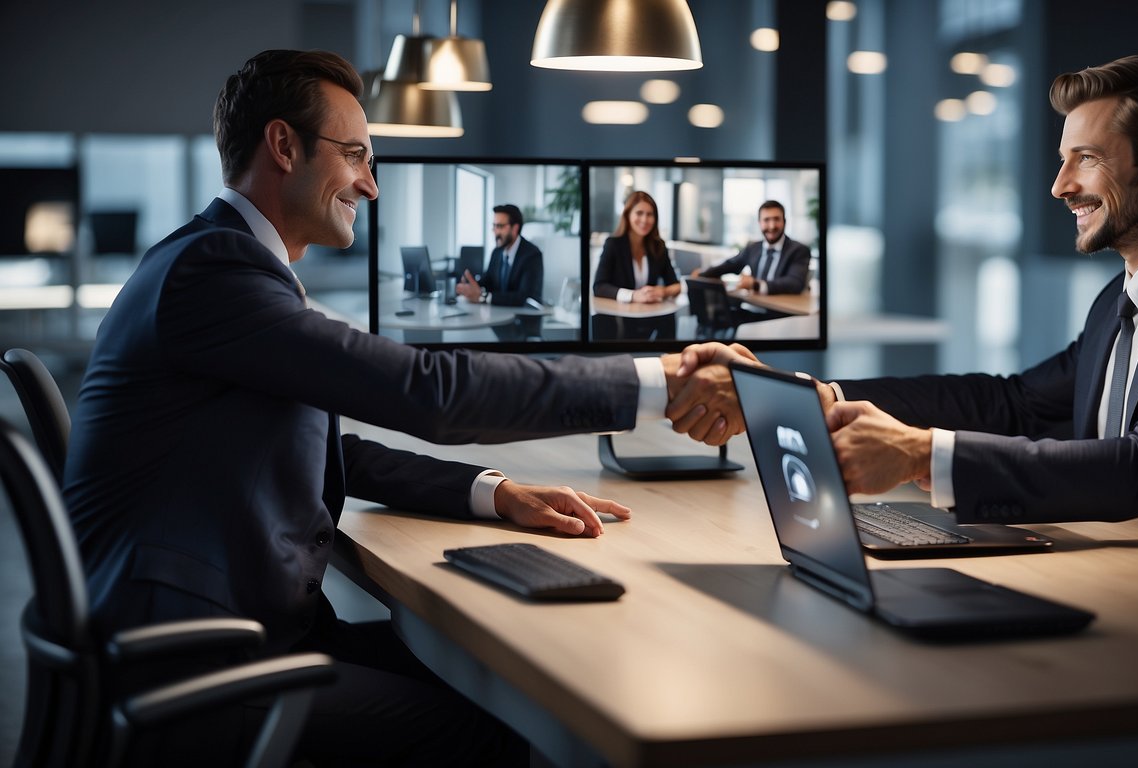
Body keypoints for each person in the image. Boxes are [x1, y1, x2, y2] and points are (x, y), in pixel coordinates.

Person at [62, 49, 740, 766]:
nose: (371, 185)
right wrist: (658, 382)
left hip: (225, 628)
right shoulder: (215, 273)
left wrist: (490, 493)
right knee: (507, 716)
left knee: (500, 673)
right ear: (283, 146)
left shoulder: (215, 260)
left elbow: (321, 448)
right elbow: (427, 390)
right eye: (355, 154)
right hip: (201, 660)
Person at [685, 54, 1138, 563]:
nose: (1060, 186)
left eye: (1085, 159)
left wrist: (919, 455)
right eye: (1061, 160)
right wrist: (811, 392)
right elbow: (1012, 403)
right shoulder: (1120, 299)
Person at [693, 200, 811, 295]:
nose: (772, 226)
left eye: (776, 219)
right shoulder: (753, 248)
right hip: (754, 307)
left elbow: (795, 283)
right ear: (759, 223)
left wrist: (755, 284)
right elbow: (730, 265)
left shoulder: (799, 250)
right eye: (766, 220)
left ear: (784, 222)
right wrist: (703, 274)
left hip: (781, 313)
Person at [592, 190, 682, 304]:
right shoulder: (613, 244)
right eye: (639, 213)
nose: (644, 220)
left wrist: (663, 291)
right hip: (619, 316)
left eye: (649, 214)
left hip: (648, 314)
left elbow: (675, 285)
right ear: (628, 215)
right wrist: (633, 295)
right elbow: (599, 287)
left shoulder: (658, 246)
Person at [457, 203, 544, 308]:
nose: (495, 232)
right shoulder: (497, 252)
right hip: (497, 314)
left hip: (521, 319)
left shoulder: (532, 255)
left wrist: (484, 297)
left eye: (500, 226)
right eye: (494, 226)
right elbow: (488, 280)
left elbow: (524, 297)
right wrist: (470, 286)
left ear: (515, 228)